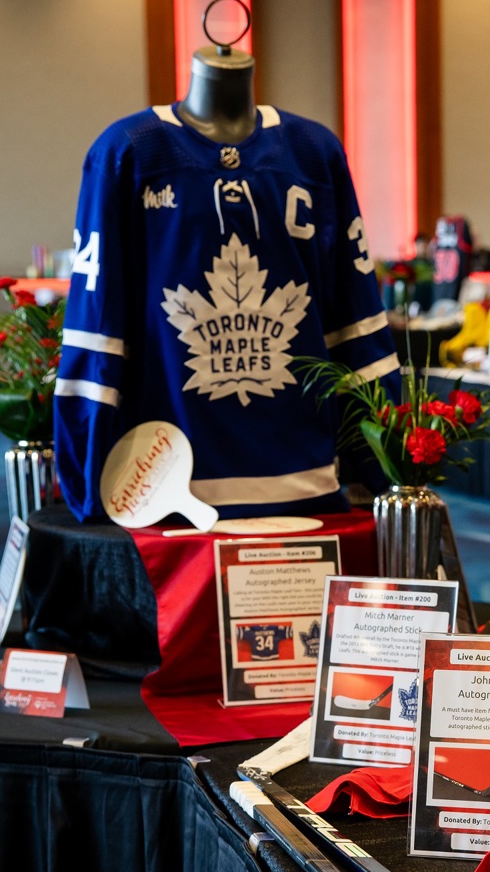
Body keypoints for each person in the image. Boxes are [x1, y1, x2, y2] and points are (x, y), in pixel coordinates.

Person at [54, 39, 401, 522]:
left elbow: (355, 319)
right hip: (166, 485)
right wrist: (90, 476)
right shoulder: (128, 151)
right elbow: (97, 331)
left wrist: (384, 464)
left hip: (304, 476)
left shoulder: (314, 153)